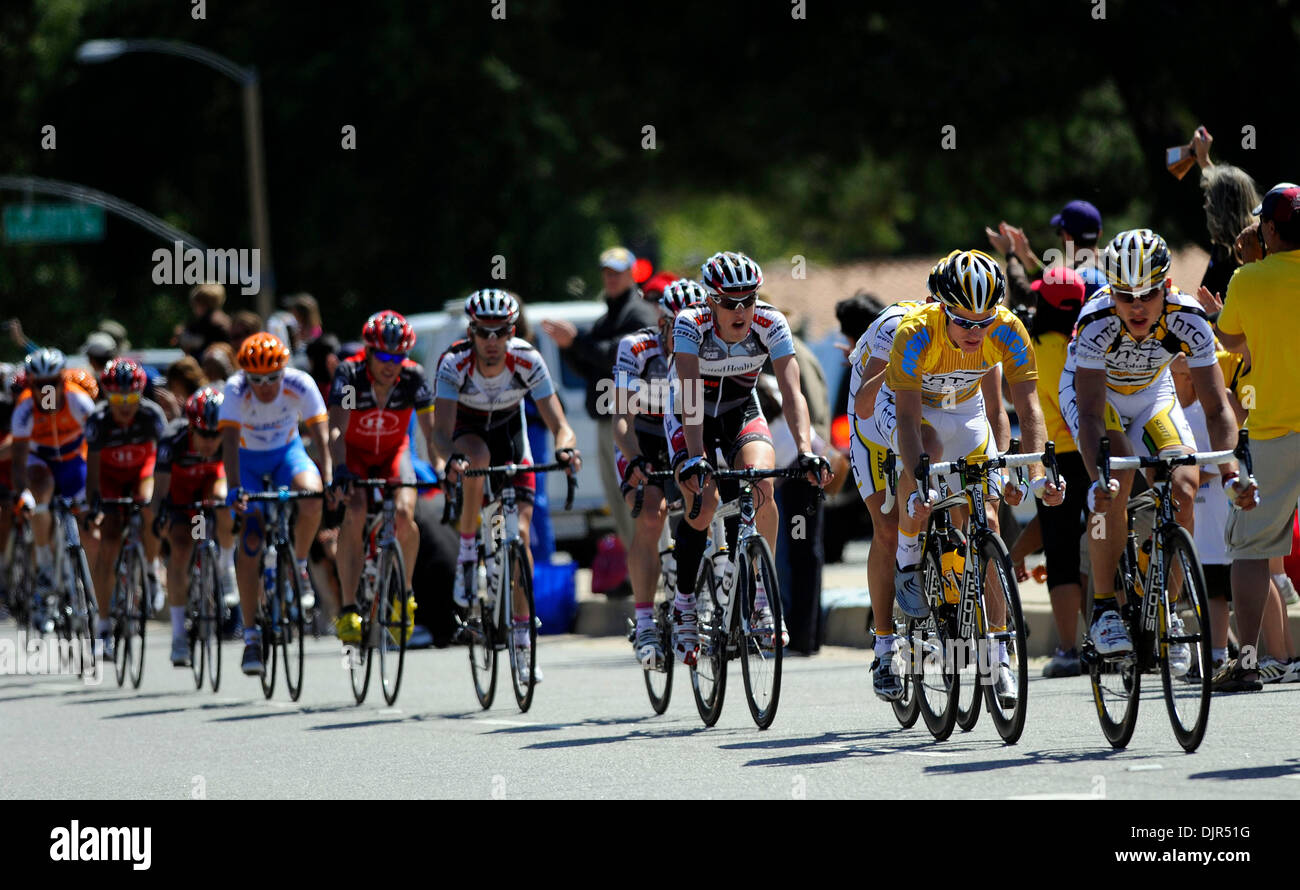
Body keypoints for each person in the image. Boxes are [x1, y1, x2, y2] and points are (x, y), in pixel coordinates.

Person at [1065, 229, 1256, 669]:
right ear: (1110, 292)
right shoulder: (1095, 322)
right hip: (1098, 398)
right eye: (1125, 295)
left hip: (1153, 393)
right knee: (1119, 469)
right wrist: (1099, 475)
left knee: (1185, 487)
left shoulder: (1189, 318)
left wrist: (1230, 472)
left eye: (1147, 294)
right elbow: (1092, 414)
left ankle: (1163, 608)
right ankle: (1105, 609)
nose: (1136, 306)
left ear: (1166, 288)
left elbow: (1216, 407)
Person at [881, 250, 1064, 707]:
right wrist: (920, 478)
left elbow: (1029, 409)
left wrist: (1036, 473)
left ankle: (998, 653)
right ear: (943, 308)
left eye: (984, 322)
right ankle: (908, 554)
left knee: (989, 518)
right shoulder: (915, 332)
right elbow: (904, 422)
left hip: (964, 410)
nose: (976, 332)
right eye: (965, 323)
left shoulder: (1007, 329)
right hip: (914, 409)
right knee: (927, 453)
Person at [666, 251, 830, 666]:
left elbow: (793, 394)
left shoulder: (771, 323)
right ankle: (685, 603)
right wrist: (696, 458)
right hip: (692, 412)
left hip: (741, 409)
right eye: (728, 302)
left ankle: (760, 595)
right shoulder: (690, 325)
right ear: (710, 301)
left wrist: (807, 450)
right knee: (701, 505)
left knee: (762, 482)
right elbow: (688, 397)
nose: (740, 311)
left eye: (748, 300)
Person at [433, 290, 581, 684]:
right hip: (469, 434)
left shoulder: (527, 358)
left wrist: (567, 450)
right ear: (471, 332)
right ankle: (468, 550)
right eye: (484, 333)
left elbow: (560, 425)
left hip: (512, 439)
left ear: (513, 330)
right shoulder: (454, 363)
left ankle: (522, 637)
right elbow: (441, 435)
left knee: (517, 535)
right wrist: (452, 460)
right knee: (476, 460)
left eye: (502, 332)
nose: (493, 341)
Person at [1203, 183, 1300, 690]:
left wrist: (1248, 262)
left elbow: (1234, 342)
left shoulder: (1248, 278)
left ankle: (1244, 662)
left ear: (1267, 228)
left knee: (1251, 548)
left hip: (1276, 430)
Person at [221, 333, 330, 677]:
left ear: (284, 372)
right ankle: (251, 635)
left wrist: (328, 479)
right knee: (251, 539)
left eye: (272, 378)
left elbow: (322, 435)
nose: (265, 386)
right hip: (247, 461)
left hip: (287, 454)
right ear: (246, 377)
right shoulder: (235, 390)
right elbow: (227, 444)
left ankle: (298, 563)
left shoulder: (300, 383)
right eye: (257, 380)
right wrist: (235, 488)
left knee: (311, 497)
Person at [327, 311, 438, 646]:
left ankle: (404, 595)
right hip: (356, 455)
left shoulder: (413, 378)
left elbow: (432, 437)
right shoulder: (350, 374)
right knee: (356, 510)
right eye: (384, 356)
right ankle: (348, 608)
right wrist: (339, 470)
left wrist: (444, 470)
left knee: (404, 514)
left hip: (394, 453)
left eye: (399, 357)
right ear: (368, 352)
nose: (391, 364)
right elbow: (336, 428)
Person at [615, 278, 708, 669]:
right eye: (675, 324)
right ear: (662, 321)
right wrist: (636, 460)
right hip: (644, 439)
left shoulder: (711, 348)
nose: (684, 334)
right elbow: (620, 418)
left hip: (688, 435)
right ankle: (645, 619)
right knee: (651, 513)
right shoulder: (637, 348)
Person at [541, 247, 658, 547]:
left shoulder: (638, 312)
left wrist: (577, 341)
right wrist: (568, 347)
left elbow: (618, 355)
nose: (611, 278)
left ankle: (653, 580)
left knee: (636, 504)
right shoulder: (610, 316)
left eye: (617, 272)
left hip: (629, 423)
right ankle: (641, 580)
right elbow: (590, 368)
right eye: (606, 273)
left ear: (632, 274)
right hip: (609, 421)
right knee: (621, 505)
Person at [1024, 268, 1092, 677]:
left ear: (1043, 306)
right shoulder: (1084, 345)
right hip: (1094, 452)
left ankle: (1069, 650)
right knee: (1101, 547)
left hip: (1058, 458)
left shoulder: (1038, 350)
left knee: (1062, 557)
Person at [83, 358, 168, 659]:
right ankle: (103, 625)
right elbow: (92, 475)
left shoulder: (152, 415)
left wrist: (164, 501)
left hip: (142, 472)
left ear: (140, 394)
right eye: (116, 398)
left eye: (131, 398)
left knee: (149, 506)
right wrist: (95, 506)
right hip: (108, 478)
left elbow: (164, 464)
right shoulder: (98, 420)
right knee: (108, 544)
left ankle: (150, 568)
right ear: (107, 396)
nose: (124, 405)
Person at [9, 349, 96, 633]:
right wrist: (23, 493)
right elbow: (19, 460)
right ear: (30, 384)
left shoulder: (79, 400)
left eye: (53, 383)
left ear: (63, 380)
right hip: (41, 462)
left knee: (89, 520)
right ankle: (45, 565)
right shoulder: (23, 409)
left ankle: (95, 581)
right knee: (40, 493)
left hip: (73, 461)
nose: (47, 390)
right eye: (39, 385)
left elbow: (97, 448)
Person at [150, 387, 235, 666]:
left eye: (216, 435)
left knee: (224, 501)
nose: (211, 442)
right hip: (181, 498)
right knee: (181, 548)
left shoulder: (229, 438)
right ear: (192, 428)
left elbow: (236, 480)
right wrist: (158, 517)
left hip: (210, 488)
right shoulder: (173, 438)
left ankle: (225, 569)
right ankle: (178, 635)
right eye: (204, 435)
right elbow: (160, 492)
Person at [988, 199, 1108, 310]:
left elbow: (1027, 296)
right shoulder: (1113, 267)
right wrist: (1026, 254)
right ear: (1100, 233)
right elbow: (1053, 284)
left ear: (1067, 236)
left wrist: (1010, 255)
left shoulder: (1077, 277)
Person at [176, 283, 233, 358]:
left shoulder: (207, 321)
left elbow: (191, 342)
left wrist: (181, 336)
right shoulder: (226, 319)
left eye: (195, 303)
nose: (193, 308)